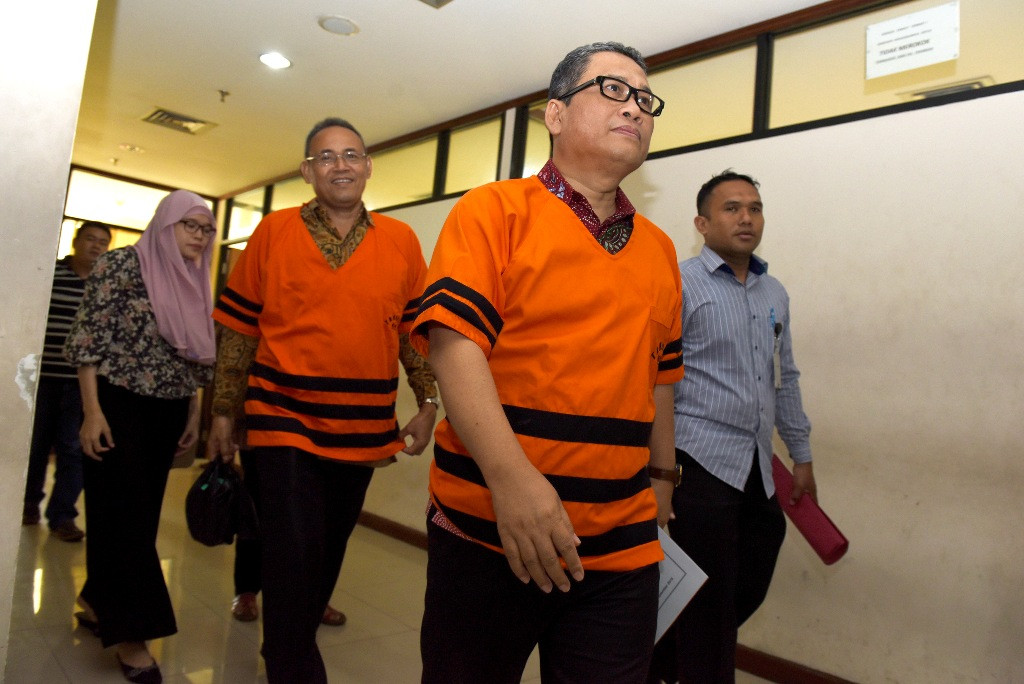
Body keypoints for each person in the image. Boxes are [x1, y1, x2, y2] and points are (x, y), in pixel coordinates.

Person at [411, 42, 683, 683]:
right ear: (555, 115)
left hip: (622, 547)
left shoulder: (661, 250)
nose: (635, 108)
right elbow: (453, 345)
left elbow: (661, 378)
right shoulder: (493, 210)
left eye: (645, 99)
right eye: (613, 89)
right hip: (491, 527)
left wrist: (664, 478)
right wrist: (513, 482)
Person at [206, 117, 439, 683]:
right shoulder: (273, 231)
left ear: (368, 167)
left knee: (328, 548)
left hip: (363, 429)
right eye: (327, 157)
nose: (341, 165)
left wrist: (428, 402)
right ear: (307, 171)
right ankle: (291, 664)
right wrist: (223, 410)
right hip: (281, 417)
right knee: (292, 549)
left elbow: (414, 333)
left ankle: (292, 641)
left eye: (351, 155)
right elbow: (239, 330)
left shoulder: (402, 240)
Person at [655, 170, 817, 683]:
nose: (746, 217)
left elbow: (784, 376)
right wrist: (658, 472)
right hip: (695, 460)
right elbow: (651, 378)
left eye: (754, 208)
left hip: (755, 465)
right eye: (731, 208)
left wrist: (801, 453)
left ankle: (658, 663)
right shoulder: (679, 283)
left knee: (752, 568)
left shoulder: (774, 292)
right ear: (702, 224)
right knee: (708, 601)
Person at [64, 190, 217, 684]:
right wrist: (92, 412)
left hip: (169, 410)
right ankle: (132, 638)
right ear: (166, 223)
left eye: (207, 229)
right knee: (123, 518)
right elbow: (88, 341)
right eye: (191, 225)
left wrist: (192, 411)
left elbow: (191, 353)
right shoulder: (121, 265)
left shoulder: (194, 277)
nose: (200, 236)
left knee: (138, 518)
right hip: (118, 406)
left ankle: (96, 601)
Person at [22, 221, 111, 540]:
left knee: (73, 449)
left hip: (81, 385)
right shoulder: (50, 275)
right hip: (42, 378)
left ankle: (62, 516)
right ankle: (27, 505)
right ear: (76, 241)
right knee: (34, 446)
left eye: (103, 242)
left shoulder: (105, 283)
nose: (96, 246)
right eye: (90, 239)